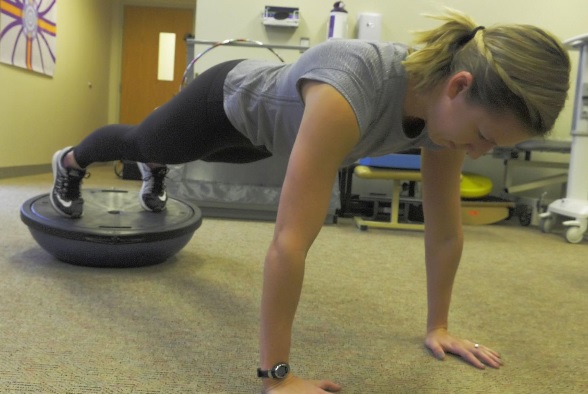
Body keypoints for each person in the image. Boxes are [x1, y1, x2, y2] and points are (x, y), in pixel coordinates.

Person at [49, 9, 570, 393]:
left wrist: (439, 327)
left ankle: (159, 167)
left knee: (186, 156)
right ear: (459, 86)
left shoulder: (445, 121)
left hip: (268, 140)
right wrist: (277, 375)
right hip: (223, 103)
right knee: (146, 144)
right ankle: (70, 161)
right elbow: (289, 242)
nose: (479, 152)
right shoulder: (349, 90)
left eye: (493, 146)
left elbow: (445, 231)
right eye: (482, 135)